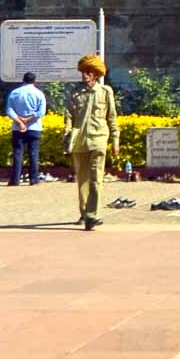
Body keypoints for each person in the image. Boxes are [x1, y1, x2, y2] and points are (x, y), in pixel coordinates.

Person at [65, 55, 120, 230]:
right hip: (79, 140)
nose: (85, 75)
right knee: (82, 180)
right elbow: (68, 115)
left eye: (88, 72)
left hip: (98, 139)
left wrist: (115, 140)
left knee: (96, 178)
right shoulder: (75, 92)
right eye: (83, 72)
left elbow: (112, 117)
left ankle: (92, 215)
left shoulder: (105, 92)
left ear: (95, 74)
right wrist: (67, 135)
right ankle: (84, 212)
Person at [4, 72, 46, 186]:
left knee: (17, 153)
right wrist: (28, 120)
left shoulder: (15, 92)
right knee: (33, 154)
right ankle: (34, 180)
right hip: (34, 127)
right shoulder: (39, 93)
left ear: (23, 80)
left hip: (18, 128)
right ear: (34, 80)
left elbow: (9, 110)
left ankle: (15, 180)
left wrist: (20, 121)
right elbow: (41, 112)